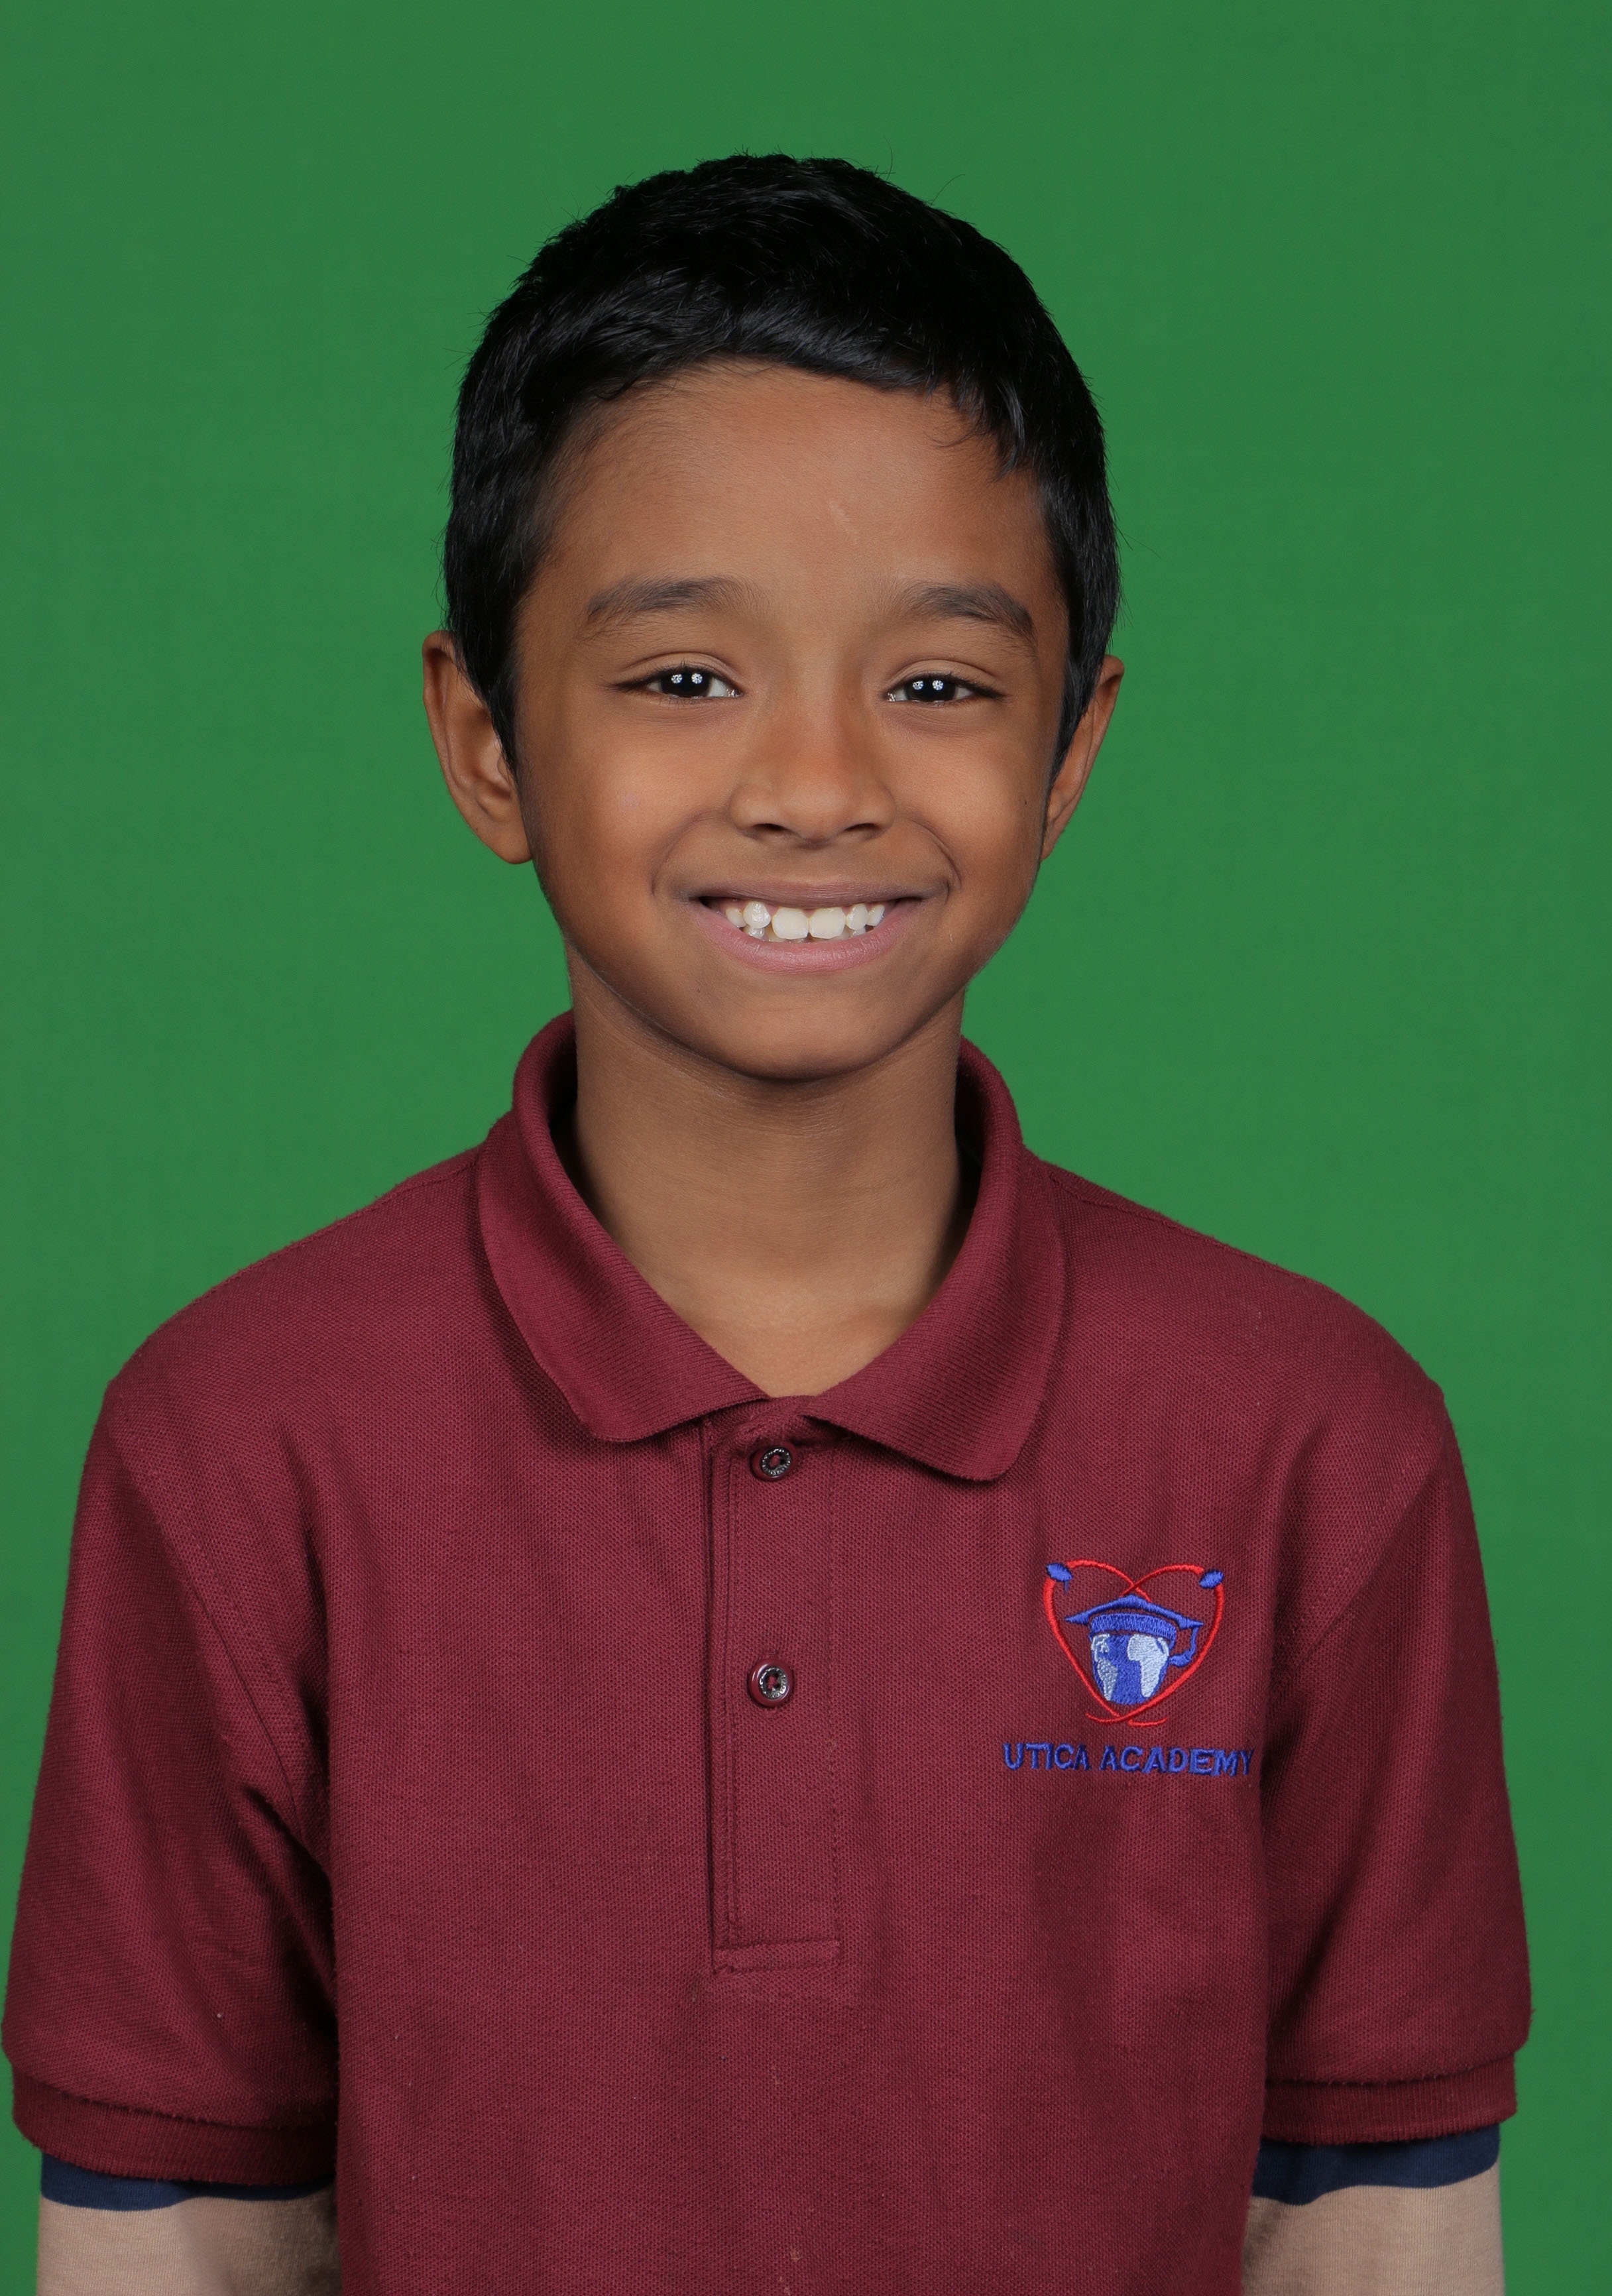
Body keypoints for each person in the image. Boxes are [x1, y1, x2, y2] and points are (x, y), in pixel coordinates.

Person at [3, 155, 1528, 2295]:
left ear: (1074, 746)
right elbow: (186, 2236)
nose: (816, 785)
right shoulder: (239, 1441)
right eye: (684, 679)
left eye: (939, 685)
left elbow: (1375, 2221)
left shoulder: (1314, 1444)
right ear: (483, 739)